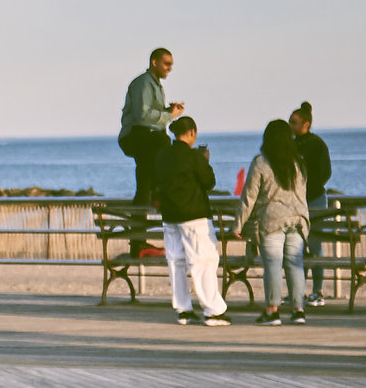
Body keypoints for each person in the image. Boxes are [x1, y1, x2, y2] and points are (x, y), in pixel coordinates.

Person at [153, 117, 229, 326]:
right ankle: (212, 310)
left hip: (170, 216)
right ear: (192, 133)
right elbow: (209, 182)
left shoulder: (162, 155)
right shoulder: (192, 157)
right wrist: (204, 160)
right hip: (193, 215)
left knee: (176, 262)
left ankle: (183, 309)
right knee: (204, 261)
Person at [237, 119, 311, 324]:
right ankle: (298, 310)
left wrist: (239, 223)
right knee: (295, 264)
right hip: (297, 220)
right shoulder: (298, 163)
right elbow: (302, 194)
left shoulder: (261, 162)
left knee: (272, 266)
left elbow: (249, 197)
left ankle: (272, 311)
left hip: (271, 221)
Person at [117, 47, 183, 249]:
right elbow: (142, 116)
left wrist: (166, 111)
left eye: (171, 64)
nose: (169, 69)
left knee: (143, 183)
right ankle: (157, 194)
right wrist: (169, 116)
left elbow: (150, 116)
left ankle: (139, 242)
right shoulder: (143, 84)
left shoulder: (155, 86)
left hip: (145, 136)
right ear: (154, 62)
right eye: (166, 64)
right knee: (163, 143)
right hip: (136, 136)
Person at [291, 103, 333, 303]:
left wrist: (306, 188)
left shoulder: (316, 145)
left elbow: (324, 173)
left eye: (294, 122)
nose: (290, 126)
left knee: (314, 245)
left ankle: (317, 291)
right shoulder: (292, 144)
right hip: (296, 201)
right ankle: (297, 291)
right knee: (297, 247)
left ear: (305, 124)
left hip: (313, 198)